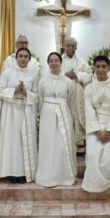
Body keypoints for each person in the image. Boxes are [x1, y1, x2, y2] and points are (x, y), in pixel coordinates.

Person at [81, 56, 110, 196]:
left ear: (108, 69)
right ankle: (94, 185)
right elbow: (88, 111)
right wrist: (98, 131)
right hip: (95, 126)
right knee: (93, 154)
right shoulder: (88, 88)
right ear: (94, 68)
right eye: (98, 67)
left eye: (103, 67)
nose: (101, 69)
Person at [0, 48, 38, 184]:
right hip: (10, 111)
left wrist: (26, 93)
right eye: (20, 56)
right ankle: (12, 172)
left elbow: (37, 96)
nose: (23, 58)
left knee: (24, 141)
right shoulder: (7, 72)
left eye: (26, 56)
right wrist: (14, 91)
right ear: (16, 58)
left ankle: (25, 172)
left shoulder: (33, 75)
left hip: (26, 111)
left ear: (29, 59)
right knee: (12, 141)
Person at [36, 52, 77, 187]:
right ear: (48, 63)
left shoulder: (68, 82)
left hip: (64, 114)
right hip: (47, 115)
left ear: (61, 63)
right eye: (51, 61)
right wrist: (46, 112)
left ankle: (64, 176)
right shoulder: (43, 81)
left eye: (56, 60)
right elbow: (40, 100)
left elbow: (71, 101)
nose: (54, 63)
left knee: (62, 145)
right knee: (48, 144)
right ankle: (47, 175)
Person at [62, 37, 92, 155]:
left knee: (78, 119)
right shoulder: (59, 60)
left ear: (76, 47)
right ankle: (66, 147)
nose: (70, 48)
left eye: (72, 46)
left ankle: (80, 149)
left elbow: (89, 74)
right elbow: (53, 72)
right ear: (64, 46)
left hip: (78, 94)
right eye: (68, 45)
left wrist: (77, 75)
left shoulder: (81, 60)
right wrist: (65, 75)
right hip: (64, 94)